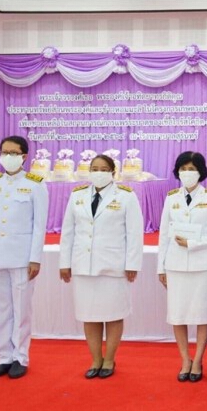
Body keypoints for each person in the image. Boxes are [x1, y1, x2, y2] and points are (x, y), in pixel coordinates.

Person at [58, 154, 144, 379]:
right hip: (83, 266)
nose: (98, 172)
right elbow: (68, 232)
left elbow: (134, 233)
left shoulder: (126, 196)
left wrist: (132, 263)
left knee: (113, 314)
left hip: (113, 266)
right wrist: (64, 263)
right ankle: (96, 359)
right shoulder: (77, 196)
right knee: (90, 315)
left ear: (113, 172)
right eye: (94, 168)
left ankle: (109, 359)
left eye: (103, 169)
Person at [0, 135, 48, 379]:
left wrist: (35, 258)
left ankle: (21, 357)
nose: (8, 156)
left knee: (22, 310)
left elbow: (39, 225)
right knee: (0, 309)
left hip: (21, 257)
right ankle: (3, 357)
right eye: (4, 152)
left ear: (24, 156)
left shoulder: (36, 184)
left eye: (14, 153)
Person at [157, 151, 207, 382]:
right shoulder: (171, 198)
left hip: (201, 265)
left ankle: (198, 360)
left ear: (201, 171)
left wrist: (192, 243)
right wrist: (161, 267)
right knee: (178, 315)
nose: (187, 173)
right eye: (183, 169)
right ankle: (185, 359)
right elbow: (164, 235)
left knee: (201, 314)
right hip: (175, 265)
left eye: (192, 168)